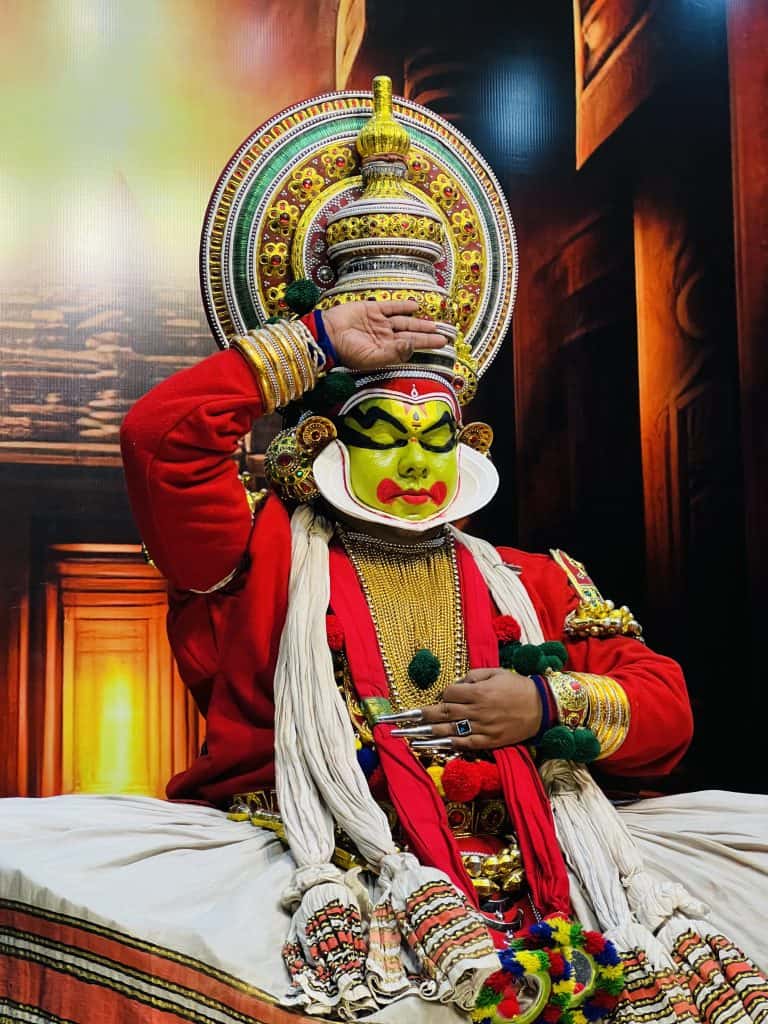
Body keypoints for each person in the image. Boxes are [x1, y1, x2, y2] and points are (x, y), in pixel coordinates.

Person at [1, 75, 766, 1024]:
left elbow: (668, 710)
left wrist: (543, 703)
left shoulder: (530, 581)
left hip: (555, 867)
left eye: (435, 437)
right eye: (384, 433)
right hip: (324, 871)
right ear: (327, 444)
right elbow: (161, 438)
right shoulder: (256, 550)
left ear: (468, 450)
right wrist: (319, 341)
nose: (414, 461)